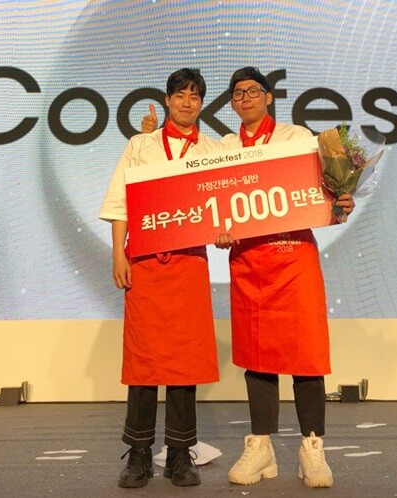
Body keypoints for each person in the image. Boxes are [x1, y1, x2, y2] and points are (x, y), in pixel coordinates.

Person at [140, 67, 355, 489]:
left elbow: (325, 194)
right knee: (257, 356)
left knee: (307, 354)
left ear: (269, 96)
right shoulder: (226, 147)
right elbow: (187, 184)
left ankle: (313, 448)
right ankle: (261, 447)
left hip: (295, 259)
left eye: (252, 91)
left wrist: (342, 201)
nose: (245, 99)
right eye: (237, 94)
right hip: (249, 264)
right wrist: (149, 138)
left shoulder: (297, 138)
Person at [99, 68, 223, 489]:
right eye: (180, 95)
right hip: (146, 264)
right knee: (144, 361)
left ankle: (179, 454)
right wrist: (119, 253)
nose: (187, 102)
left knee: (185, 362)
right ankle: (137, 454)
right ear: (168, 100)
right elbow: (121, 202)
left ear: (201, 103)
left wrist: (226, 229)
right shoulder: (141, 144)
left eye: (195, 96)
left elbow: (225, 202)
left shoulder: (213, 149)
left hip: (189, 264)